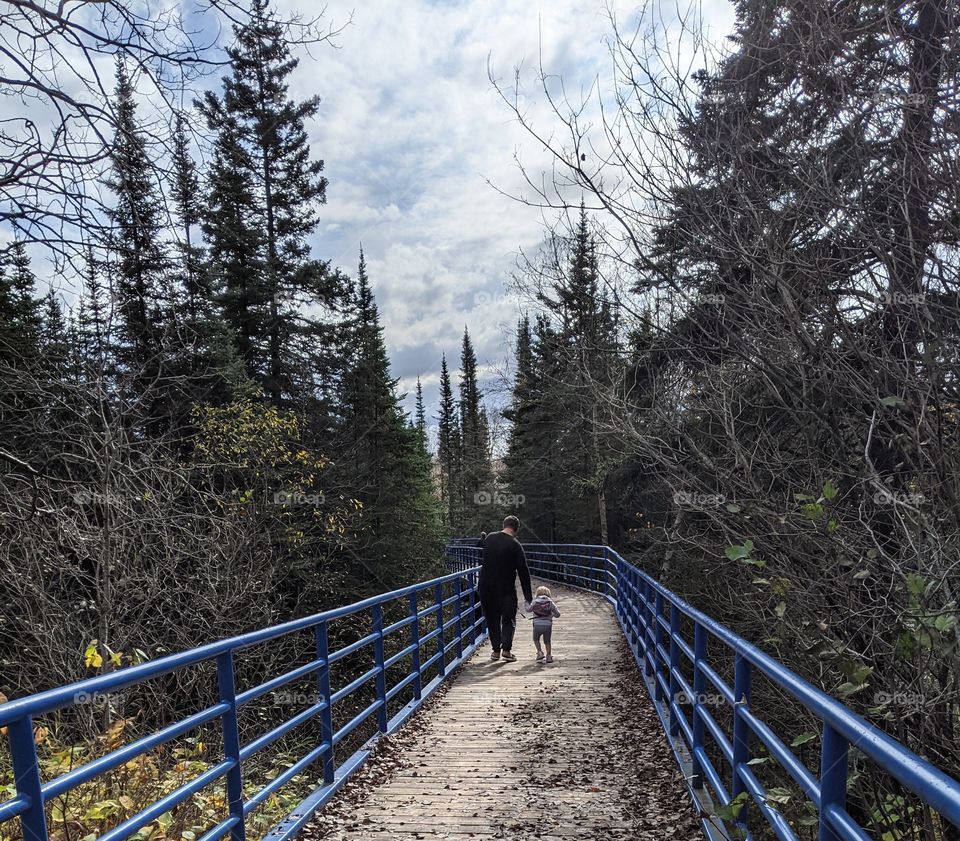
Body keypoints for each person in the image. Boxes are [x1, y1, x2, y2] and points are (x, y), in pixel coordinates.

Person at [478, 515, 532, 663]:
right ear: (516, 529)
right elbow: (523, 572)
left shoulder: (489, 538)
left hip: (486, 588)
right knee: (508, 619)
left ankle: (495, 651)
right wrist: (528, 597)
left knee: (492, 619)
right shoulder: (515, 545)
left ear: (504, 525)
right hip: (506, 590)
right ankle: (506, 651)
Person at [528, 585, 561, 663]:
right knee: (547, 641)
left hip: (537, 625)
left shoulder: (535, 602)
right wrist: (552, 614)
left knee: (536, 639)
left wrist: (526, 602)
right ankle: (548, 656)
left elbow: (528, 609)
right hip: (547, 625)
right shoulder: (550, 602)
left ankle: (539, 652)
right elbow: (558, 614)